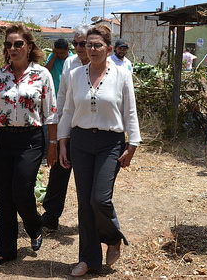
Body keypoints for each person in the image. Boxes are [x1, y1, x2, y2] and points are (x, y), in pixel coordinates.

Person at [57, 24, 141, 277]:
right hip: (80, 141)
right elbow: (68, 110)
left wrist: (133, 144)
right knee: (84, 203)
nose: (90, 49)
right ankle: (88, 259)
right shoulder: (75, 74)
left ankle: (113, 237)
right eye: (86, 45)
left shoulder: (122, 74)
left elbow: (129, 111)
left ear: (109, 48)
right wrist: (62, 142)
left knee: (99, 199)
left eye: (97, 45)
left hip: (110, 142)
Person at [0, 23, 58, 268]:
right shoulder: (0, 76)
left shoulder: (42, 75)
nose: (13, 48)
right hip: (2, 140)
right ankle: (5, 251)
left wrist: (52, 145)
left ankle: (34, 226)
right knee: (4, 197)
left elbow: (51, 113)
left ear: (29, 46)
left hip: (30, 140)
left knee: (21, 191)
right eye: (9, 44)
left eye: (18, 43)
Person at [41, 25, 91, 231]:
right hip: (68, 126)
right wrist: (58, 127)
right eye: (76, 43)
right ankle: (51, 216)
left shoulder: (103, 65)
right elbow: (61, 96)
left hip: (89, 129)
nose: (79, 47)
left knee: (87, 179)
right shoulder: (70, 63)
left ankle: (90, 220)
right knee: (59, 173)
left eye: (83, 43)